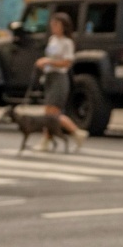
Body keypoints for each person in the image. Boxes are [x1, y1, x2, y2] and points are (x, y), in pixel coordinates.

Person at [34, 11, 85, 150]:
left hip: (59, 78)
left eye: (56, 24)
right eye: (52, 24)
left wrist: (49, 61)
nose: (53, 27)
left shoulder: (67, 42)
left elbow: (67, 63)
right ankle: (48, 140)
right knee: (48, 113)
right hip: (49, 76)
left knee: (53, 114)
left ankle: (74, 132)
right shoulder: (52, 40)